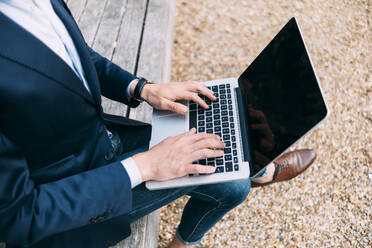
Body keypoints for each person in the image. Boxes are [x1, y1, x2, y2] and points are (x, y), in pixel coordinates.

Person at [0, 0, 316, 247]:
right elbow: (20, 215)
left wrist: (142, 88)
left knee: (226, 145)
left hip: (98, 140)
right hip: (73, 203)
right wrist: (145, 166)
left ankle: (257, 167)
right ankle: (256, 175)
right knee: (234, 185)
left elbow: (74, 56)